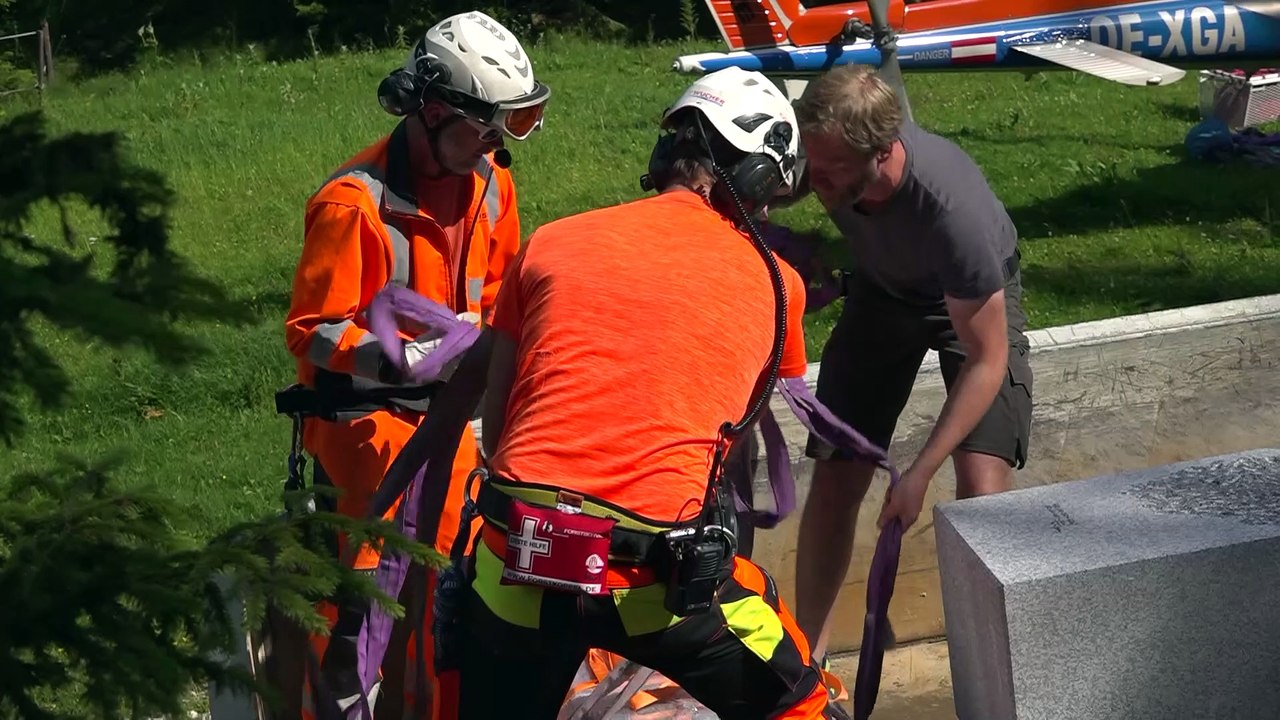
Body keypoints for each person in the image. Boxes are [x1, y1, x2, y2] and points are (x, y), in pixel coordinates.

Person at [446, 66, 842, 719]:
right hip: (652, 580)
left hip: (515, 561)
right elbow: (725, 449)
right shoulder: (780, 288)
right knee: (801, 702)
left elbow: (500, 420)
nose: (768, 212)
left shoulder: (550, 243)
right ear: (748, 179)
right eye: (770, 192)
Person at [281, 10, 549, 718]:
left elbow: (499, 295)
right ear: (432, 111)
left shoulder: (490, 185)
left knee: (466, 588)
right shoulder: (353, 206)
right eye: (486, 128)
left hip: (455, 420)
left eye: (507, 130)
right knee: (371, 606)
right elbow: (310, 330)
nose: (495, 146)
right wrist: (402, 360)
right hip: (367, 430)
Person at [785, 64, 1034, 664]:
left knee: (981, 486)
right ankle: (805, 666)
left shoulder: (954, 214)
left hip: (970, 309)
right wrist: (786, 248)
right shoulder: (823, 158)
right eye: (810, 164)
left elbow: (986, 359)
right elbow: (746, 202)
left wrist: (920, 473)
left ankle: (995, 669)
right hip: (881, 292)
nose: (812, 182)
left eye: (831, 171)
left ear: (883, 153)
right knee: (836, 474)